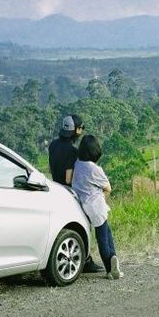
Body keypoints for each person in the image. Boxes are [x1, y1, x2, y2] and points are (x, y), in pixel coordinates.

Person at [47, 114, 104, 274]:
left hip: (56, 188)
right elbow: (68, 177)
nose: (81, 131)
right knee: (83, 223)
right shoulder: (72, 151)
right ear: (75, 130)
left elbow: (52, 168)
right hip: (69, 191)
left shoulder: (53, 145)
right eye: (81, 128)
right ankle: (85, 260)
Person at [71, 134, 122, 279]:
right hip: (97, 206)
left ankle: (113, 261)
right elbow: (108, 188)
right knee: (103, 238)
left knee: (106, 233)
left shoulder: (77, 164)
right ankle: (110, 266)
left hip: (83, 206)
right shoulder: (95, 169)